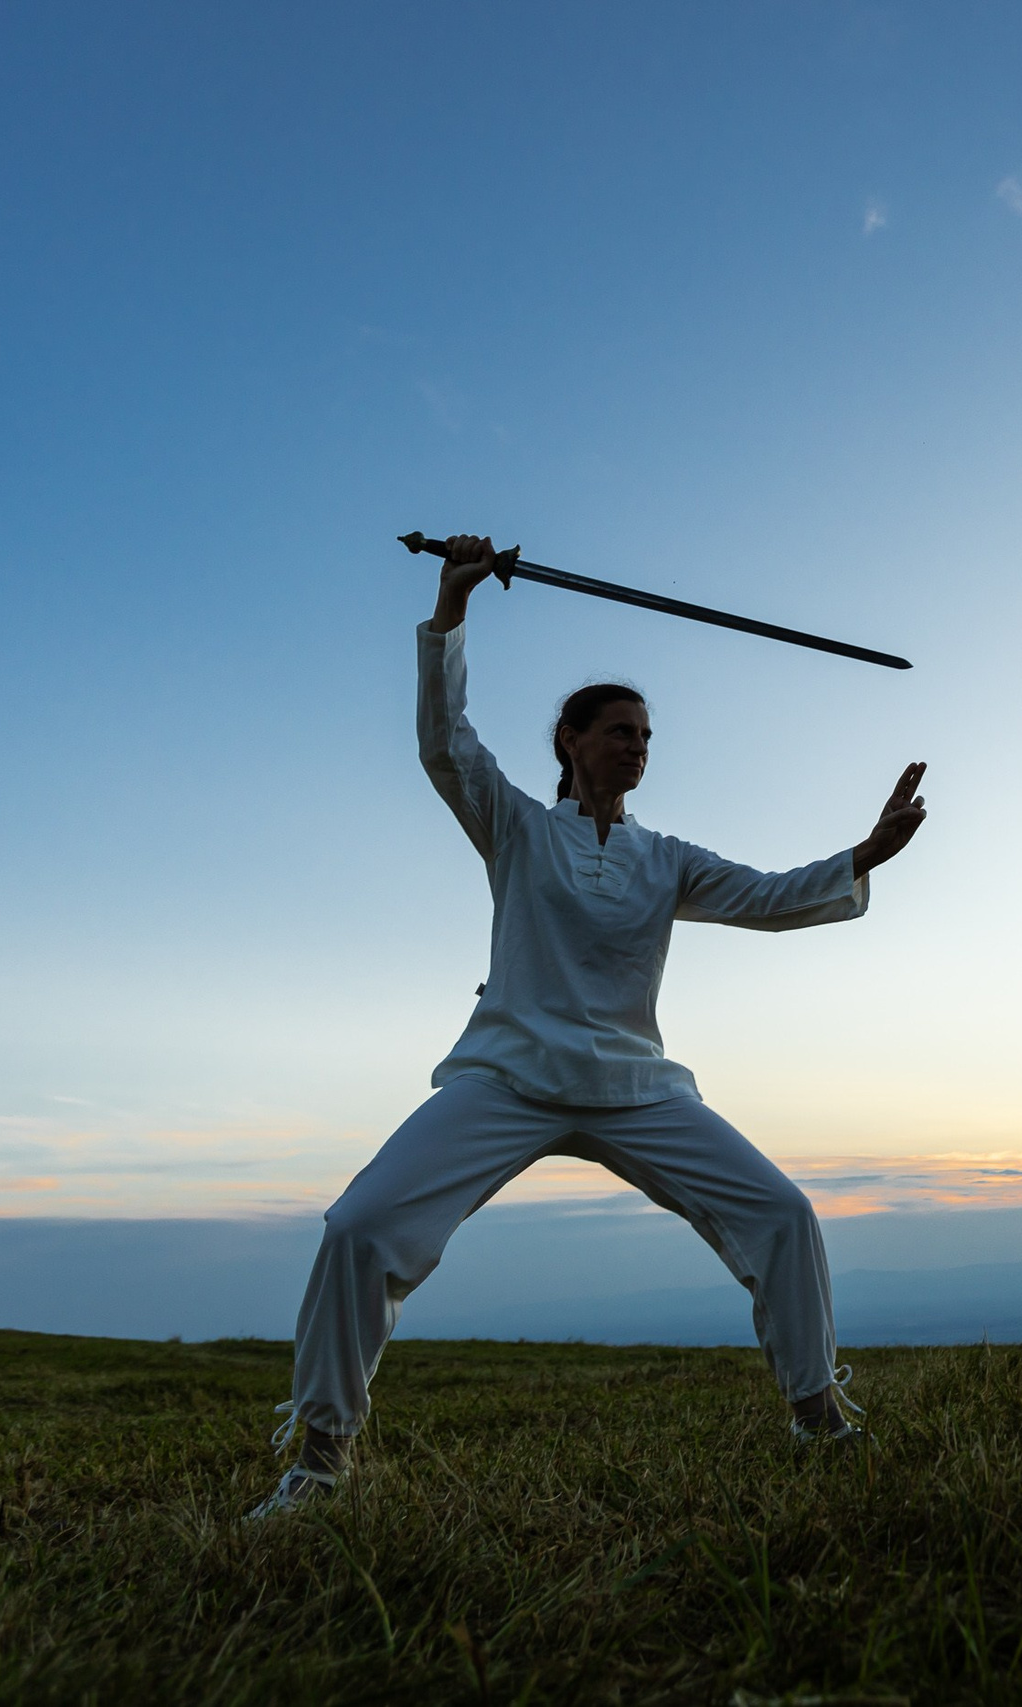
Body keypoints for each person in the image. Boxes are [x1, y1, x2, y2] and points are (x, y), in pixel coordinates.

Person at [248, 534, 926, 1518]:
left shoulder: (666, 858)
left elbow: (772, 897)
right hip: (508, 1076)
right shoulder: (518, 828)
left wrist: (867, 853)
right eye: (618, 731)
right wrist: (452, 604)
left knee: (781, 1215)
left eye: (645, 735)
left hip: (633, 1087)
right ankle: (318, 1457)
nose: (636, 747)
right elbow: (446, 744)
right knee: (360, 1227)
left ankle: (817, 1416)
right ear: (569, 742)